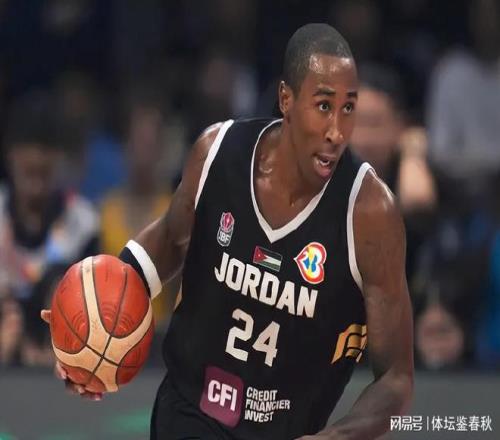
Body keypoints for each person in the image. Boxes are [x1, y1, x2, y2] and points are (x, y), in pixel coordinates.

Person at [42, 23, 413, 439]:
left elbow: (396, 378)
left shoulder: (369, 213)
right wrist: (90, 325)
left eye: (348, 108)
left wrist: (335, 438)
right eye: (323, 105)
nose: (337, 131)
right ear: (286, 99)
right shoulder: (217, 153)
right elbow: (170, 239)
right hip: (190, 410)